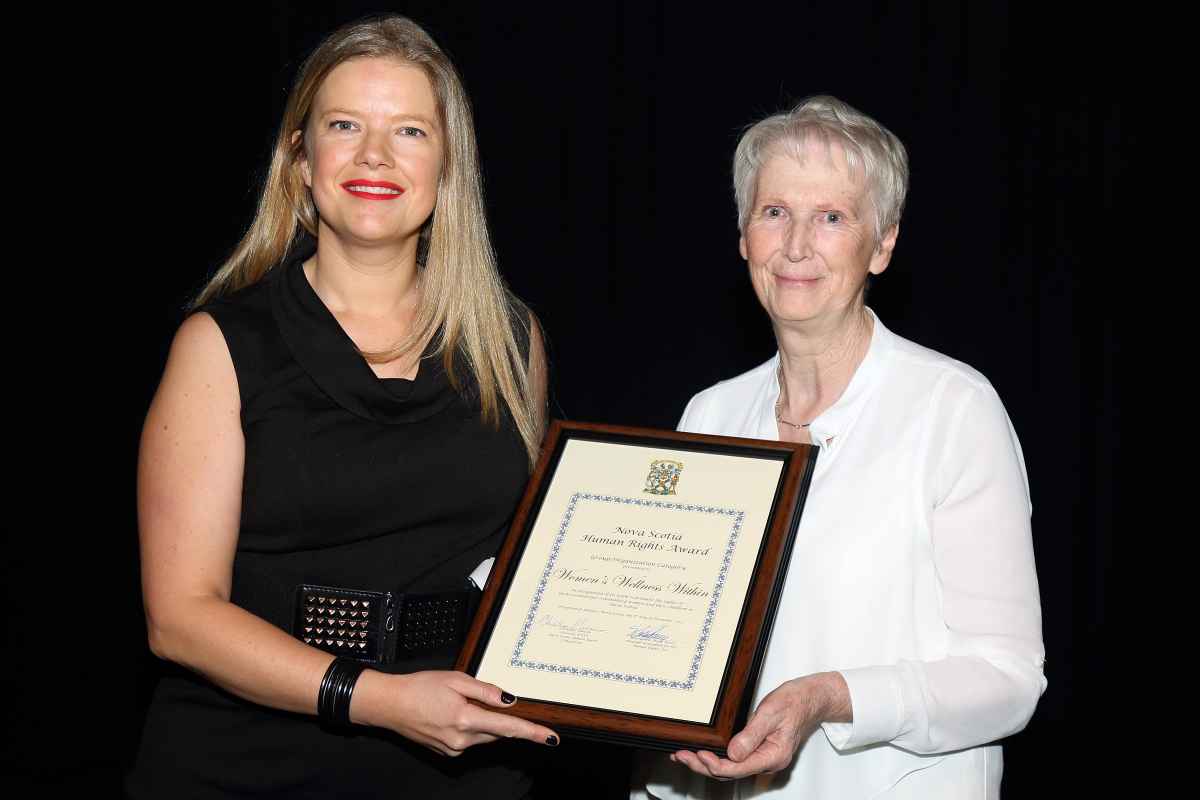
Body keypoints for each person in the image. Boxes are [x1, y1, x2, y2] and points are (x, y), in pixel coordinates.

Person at [127, 15, 559, 799]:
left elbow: (531, 573)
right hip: (251, 761)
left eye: (409, 132)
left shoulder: (509, 338)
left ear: (448, 164)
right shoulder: (220, 345)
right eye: (345, 125)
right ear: (300, 157)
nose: (374, 156)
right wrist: (382, 699)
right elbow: (181, 617)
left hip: (462, 765)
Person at [634, 96, 1046, 799]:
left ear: (882, 244)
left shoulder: (952, 410)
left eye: (831, 217)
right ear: (743, 235)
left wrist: (829, 696)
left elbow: (1007, 681)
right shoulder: (712, 412)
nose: (796, 246)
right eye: (774, 213)